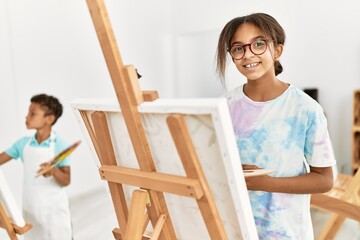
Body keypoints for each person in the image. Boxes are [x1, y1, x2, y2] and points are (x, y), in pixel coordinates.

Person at [216, 13, 336, 239]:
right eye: (238, 48)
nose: (248, 54)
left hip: (285, 232)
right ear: (232, 56)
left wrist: (265, 183)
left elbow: (324, 180)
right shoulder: (223, 106)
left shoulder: (305, 108)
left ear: (277, 50)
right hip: (233, 228)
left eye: (258, 44)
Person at [0, 93, 72, 240]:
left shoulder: (60, 146)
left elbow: (66, 180)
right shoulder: (22, 144)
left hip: (54, 213)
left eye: (33, 114)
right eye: (28, 113)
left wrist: (54, 171)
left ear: (49, 119)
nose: (27, 117)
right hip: (31, 209)